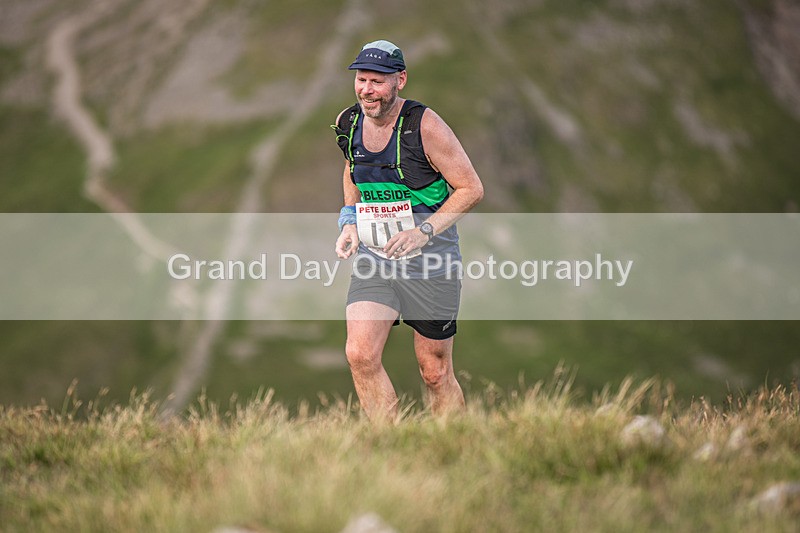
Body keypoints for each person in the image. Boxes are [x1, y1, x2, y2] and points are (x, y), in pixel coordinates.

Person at [333, 40, 484, 421]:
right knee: (360, 354)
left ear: (400, 79)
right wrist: (350, 220)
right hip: (376, 257)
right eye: (361, 80)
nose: (367, 90)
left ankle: (453, 448)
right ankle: (390, 448)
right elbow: (353, 168)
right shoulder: (348, 123)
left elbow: (471, 188)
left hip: (432, 261)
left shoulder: (425, 126)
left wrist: (424, 231)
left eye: (377, 81)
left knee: (434, 371)